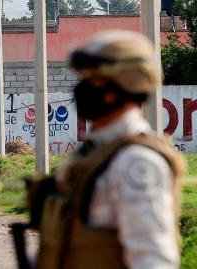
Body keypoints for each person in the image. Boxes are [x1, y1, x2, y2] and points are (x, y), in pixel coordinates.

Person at [34, 30, 185, 269]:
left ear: (121, 86)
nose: (81, 88)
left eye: (92, 80)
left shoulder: (137, 162)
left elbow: (153, 260)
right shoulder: (97, 152)